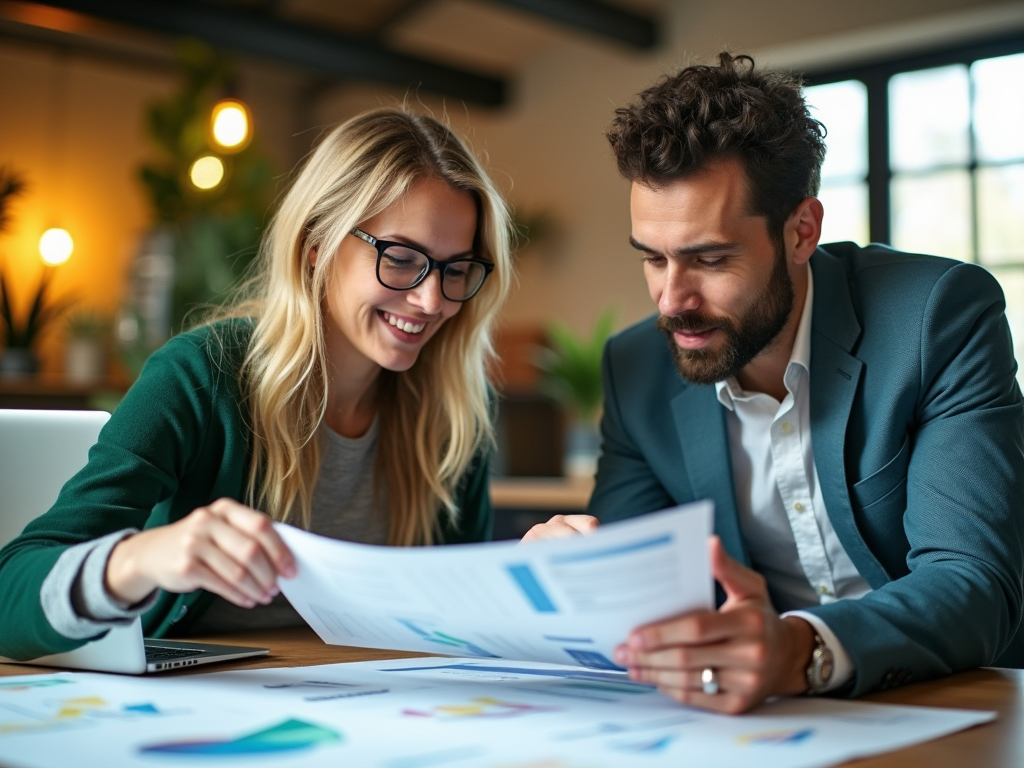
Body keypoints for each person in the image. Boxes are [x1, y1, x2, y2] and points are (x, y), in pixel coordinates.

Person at [525, 53, 1024, 714]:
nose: (672, 300)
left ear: (801, 231)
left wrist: (798, 650)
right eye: (652, 258)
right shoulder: (636, 369)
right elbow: (639, 591)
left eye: (709, 259)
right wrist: (559, 574)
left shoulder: (936, 316)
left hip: (958, 700)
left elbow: (973, 580)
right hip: (755, 721)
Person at [0, 107, 513, 660]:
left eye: (456, 269)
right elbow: (10, 593)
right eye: (402, 258)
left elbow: (462, 625)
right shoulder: (201, 376)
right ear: (318, 244)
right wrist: (139, 558)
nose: (432, 300)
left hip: (377, 703)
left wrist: (524, 582)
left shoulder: (457, 406)